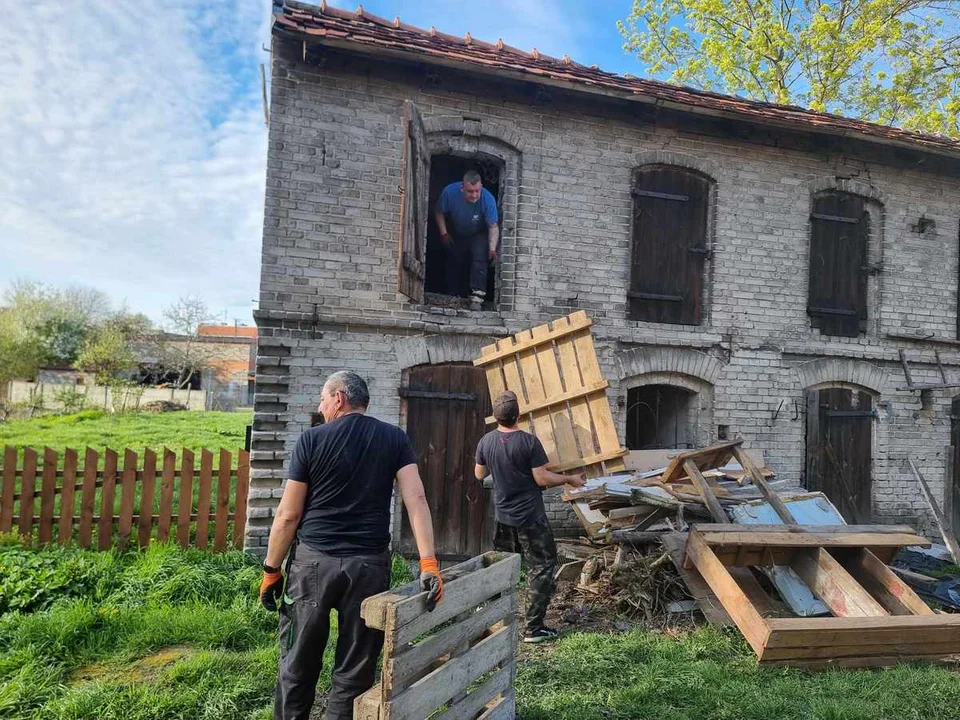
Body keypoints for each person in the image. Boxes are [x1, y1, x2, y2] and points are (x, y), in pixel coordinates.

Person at [259, 371, 443, 720]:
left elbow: (287, 515)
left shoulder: (311, 440)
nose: (320, 406)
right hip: (369, 569)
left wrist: (271, 570)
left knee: (298, 657)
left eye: (323, 398)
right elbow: (416, 499)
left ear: (339, 398)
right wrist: (428, 562)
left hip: (313, 565)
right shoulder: (394, 439)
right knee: (356, 664)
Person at [474, 390, 586, 643]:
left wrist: (503, 473)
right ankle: (533, 629)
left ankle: (492, 621)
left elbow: (479, 475)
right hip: (530, 517)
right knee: (542, 566)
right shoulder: (528, 442)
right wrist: (570, 478)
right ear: (518, 415)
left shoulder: (486, 441)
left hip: (502, 517)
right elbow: (541, 478)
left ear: (496, 416)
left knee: (503, 566)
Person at [434, 170, 500, 307]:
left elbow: (493, 226)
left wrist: (493, 249)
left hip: (478, 233)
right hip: (456, 231)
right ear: (462, 188)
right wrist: (444, 233)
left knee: (479, 256)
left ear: (481, 186)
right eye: (470, 191)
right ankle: (451, 294)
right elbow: (439, 212)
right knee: (454, 259)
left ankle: (477, 296)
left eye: (477, 191)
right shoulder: (449, 193)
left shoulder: (488, 200)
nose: (474, 195)